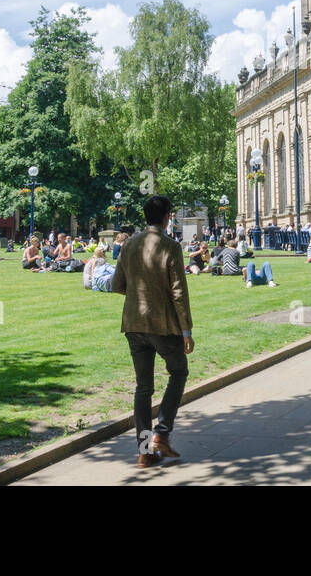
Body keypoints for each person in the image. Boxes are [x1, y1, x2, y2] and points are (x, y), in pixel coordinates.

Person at [111, 196, 194, 469]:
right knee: (179, 372)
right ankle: (163, 433)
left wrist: (137, 293)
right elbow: (179, 292)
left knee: (143, 387)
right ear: (168, 216)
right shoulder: (170, 245)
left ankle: (144, 452)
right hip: (161, 324)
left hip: (133, 323)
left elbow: (116, 284)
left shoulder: (129, 244)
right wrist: (186, 330)